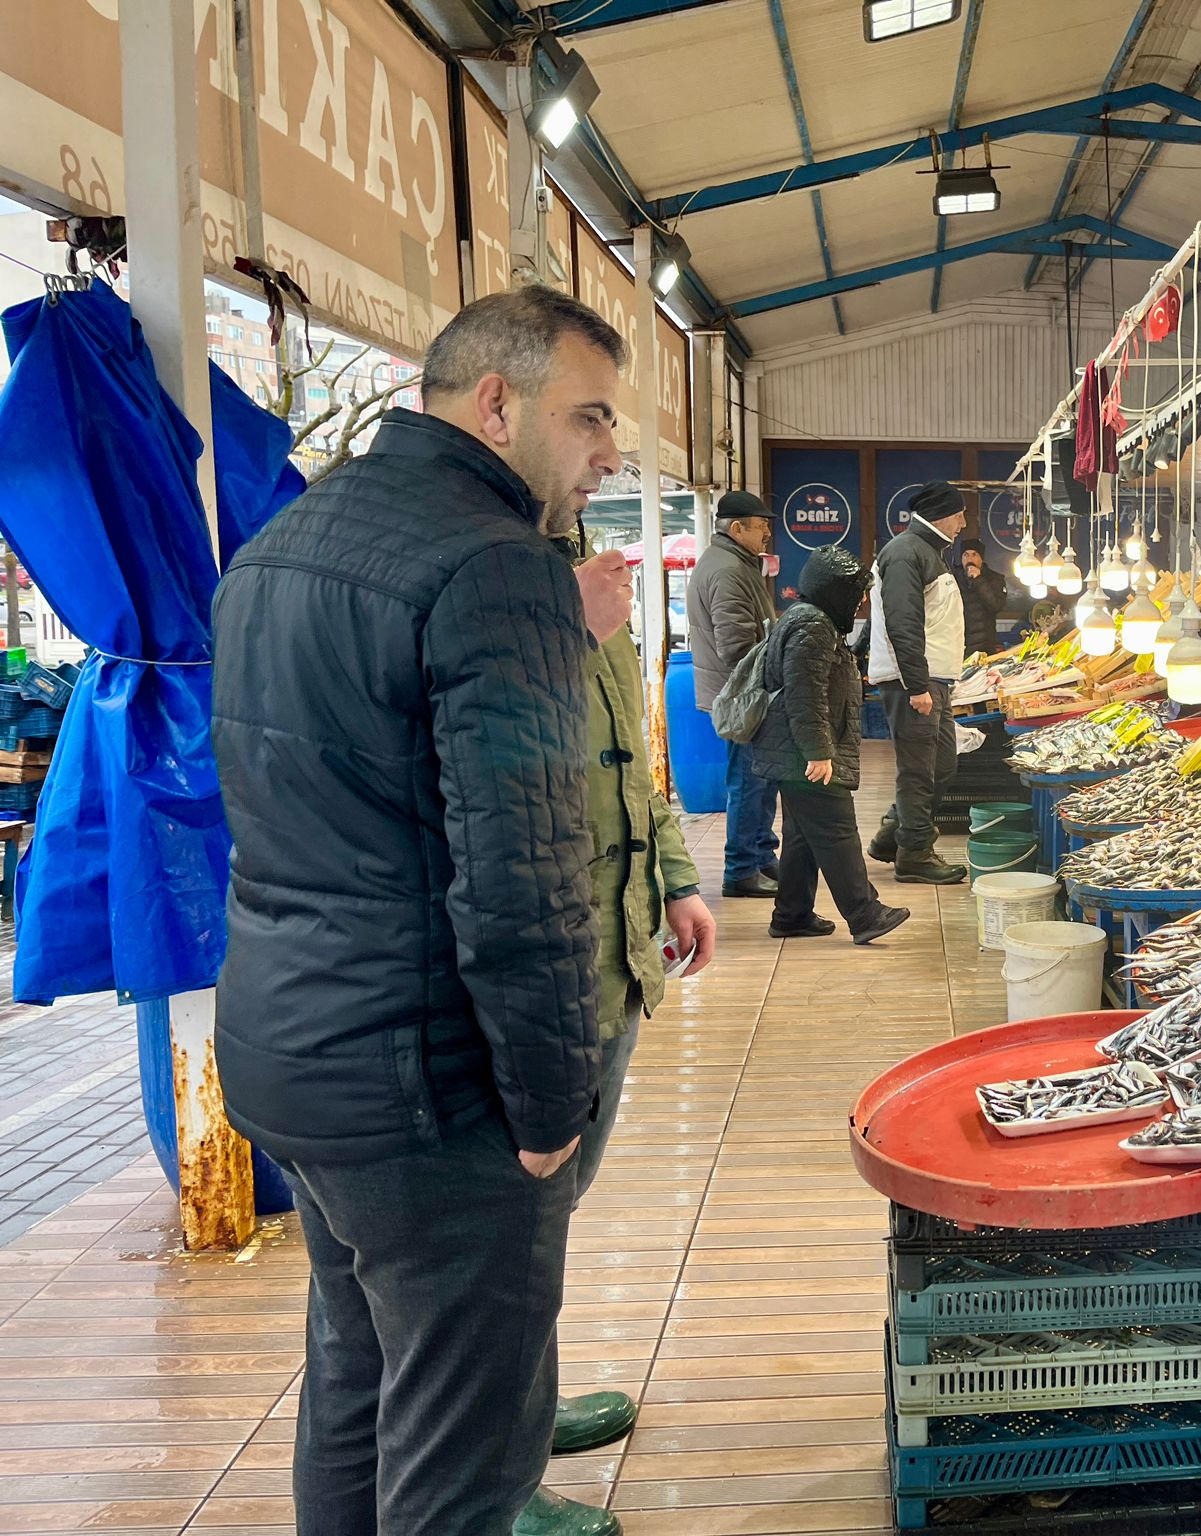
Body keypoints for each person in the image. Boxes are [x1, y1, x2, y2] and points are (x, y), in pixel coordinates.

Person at [211, 286, 625, 1536]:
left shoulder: (281, 543)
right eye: (588, 417)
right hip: (427, 1084)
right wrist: (553, 1102)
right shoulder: (496, 566)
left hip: (296, 1060)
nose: (607, 453)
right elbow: (523, 875)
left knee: (357, 1378)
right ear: (495, 405)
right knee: (461, 1447)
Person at [513, 510, 718, 1534]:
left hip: (613, 954)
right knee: (505, 1228)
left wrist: (676, 878)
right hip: (531, 970)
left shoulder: (591, 583)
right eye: (590, 420)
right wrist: (560, 635)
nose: (604, 451)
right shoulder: (482, 587)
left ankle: (524, 1409)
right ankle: (493, 1482)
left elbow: (631, 759)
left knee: (550, 1212)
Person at [751, 547, 911, 945]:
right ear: (833, 590)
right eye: (854, 592)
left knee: (803, 835)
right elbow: (803, 695)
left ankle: (792, 914)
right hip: (804, 753)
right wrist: (818, 753)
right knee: (837, 829)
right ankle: (865, 913)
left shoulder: (811, 620)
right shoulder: (813, 626)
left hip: (795, 752)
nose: (858, 601)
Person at [867, 481, 969, 884]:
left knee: (941, 765)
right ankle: (915, 853)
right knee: (918, 771)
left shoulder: (929, 552)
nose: (964, 522)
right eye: (960, 513)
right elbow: (902, 623)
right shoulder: (906, 552)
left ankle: (893, 835)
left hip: (935, 679)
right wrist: (917, 686)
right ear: (942, 514)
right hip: (914, 681)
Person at [686, 491, 780, 898]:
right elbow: (737, 645)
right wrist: (778, 662)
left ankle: (761, 855)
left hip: (744, 690)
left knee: (761, 776)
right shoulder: (727, 570)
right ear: (736, 528)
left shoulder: (736, 563)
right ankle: (741, 870)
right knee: (749, 781)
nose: (767, 536)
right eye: (761, 527)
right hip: (742, 694)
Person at [955, 538, 1009, 656]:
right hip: (958, 645)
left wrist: (979, 580)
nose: (970, 559)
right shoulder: (953, 579)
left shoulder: (995, 579)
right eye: (966, 555)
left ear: (981, 558)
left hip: (985, 646)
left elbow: (996, 606)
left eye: (974, 555)